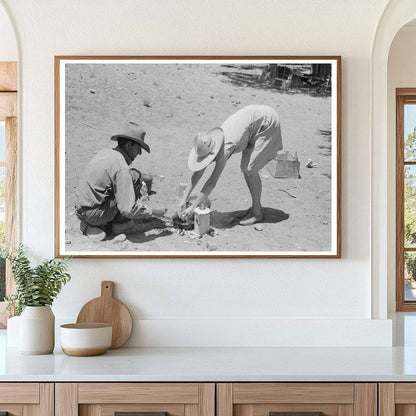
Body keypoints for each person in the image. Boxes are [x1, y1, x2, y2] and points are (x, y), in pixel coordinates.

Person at [179, 105, 283, 226]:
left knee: (249, 169)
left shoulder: (225, 149)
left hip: (267, 123)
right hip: (254, 124)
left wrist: (193, 207)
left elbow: (212, 181)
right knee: (245, 168)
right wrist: (184, 198)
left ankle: (257, 213)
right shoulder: (210, 142)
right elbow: (198, 172)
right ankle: (256, 206)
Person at [75, 121, 162, 241]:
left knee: (130, 178)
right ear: (128, 146)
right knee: (135, 177)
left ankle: (89, 226)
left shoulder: (105, 153)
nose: (140, 153)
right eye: (138, 148)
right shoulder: (121, 167)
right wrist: (155, 212)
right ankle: (120, 225)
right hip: (94, 214)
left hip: (81, 210)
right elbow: (128, 209)